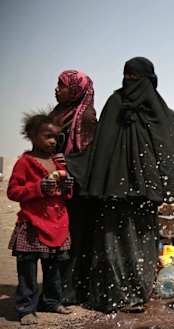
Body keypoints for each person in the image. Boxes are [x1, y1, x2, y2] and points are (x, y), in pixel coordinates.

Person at [68, 57, 174, 313]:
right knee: (112, 239)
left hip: (145, 191)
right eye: (127, 76)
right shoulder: (115, 103)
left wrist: (166, 187)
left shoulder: (160, 111)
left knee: (141, 241)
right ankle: (113, 294)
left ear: (149, 80)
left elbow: (170, 150)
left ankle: (137, 293)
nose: (130, 82)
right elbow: (101, 146)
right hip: (113, 191)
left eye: (136, 77)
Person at [7, 112, 74, 325]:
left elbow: (65, 192)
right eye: (48, 136)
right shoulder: (24, 163)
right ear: (31, 135)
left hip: (57, 222)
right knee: (27, 269)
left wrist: (67, 188)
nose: (53, 141)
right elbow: (13, 192)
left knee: (53, 267)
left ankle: (52, 301)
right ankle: (26, 307)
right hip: (32, 223)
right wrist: (37, 188)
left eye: (56, 137)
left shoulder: (58, 163)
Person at [48, 70, 98, 306]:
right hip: (52, 184)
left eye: (62, 86)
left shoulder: (85, 117)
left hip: (75, 188)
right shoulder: (58, 113)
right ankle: (54, 290)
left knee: (73, 241)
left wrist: (66, 164)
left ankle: (69, 292)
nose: (57, 89)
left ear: (76, 89)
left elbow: (89, 156)